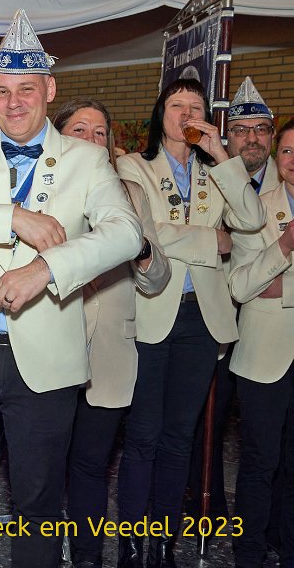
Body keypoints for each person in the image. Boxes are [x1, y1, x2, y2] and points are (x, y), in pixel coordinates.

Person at [0, 10, 142, 568]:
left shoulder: (88, 159)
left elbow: (126, 233)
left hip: (47, 358)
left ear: (49, 90)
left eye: (26, 89)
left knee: (39, 505)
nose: (13, 102)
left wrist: (47, 269)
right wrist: (13, 217)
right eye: (1, 91)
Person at [114, 77, 266, 567]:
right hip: (151, 312)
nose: (185, 114)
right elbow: (143, 232)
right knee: (143, 436)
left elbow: (251, 220)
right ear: (161, 114)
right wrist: (209, 240)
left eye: (195, 107)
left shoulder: (216, 171)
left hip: (203, 318)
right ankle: (131, 544)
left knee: (180, 437)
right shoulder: (133, 166)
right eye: (176, 105)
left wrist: (221, 154)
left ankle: (163, 542)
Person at [52, 98, 172, 568]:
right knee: (44, 463)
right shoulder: (39, 188)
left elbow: (156, 279)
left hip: (110, 350)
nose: (91, 138)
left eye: (100, 132)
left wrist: (141, 249)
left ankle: (87, 557)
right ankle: (44, 544)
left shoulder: (131, 194)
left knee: (90, 463)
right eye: (79, 129)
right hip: (50, 341)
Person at [186, 76, 280, 522]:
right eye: (241, 130)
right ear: (227, 137)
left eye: (261, 129)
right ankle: (206, 506)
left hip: (271, 318)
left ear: (272, 136)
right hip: (219, 313)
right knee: (210, 416)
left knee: (268, 432)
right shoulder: (209, 177)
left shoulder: (287, 176)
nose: (252, 138)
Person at [225, 119, 294, 568]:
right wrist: (285, 245)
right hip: (264, 356)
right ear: (275, 156)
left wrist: (281, 289)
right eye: (287, 151)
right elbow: (241, 285)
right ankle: (248, 551)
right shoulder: (255, 209)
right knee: (259, 461)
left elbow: (266, 286)